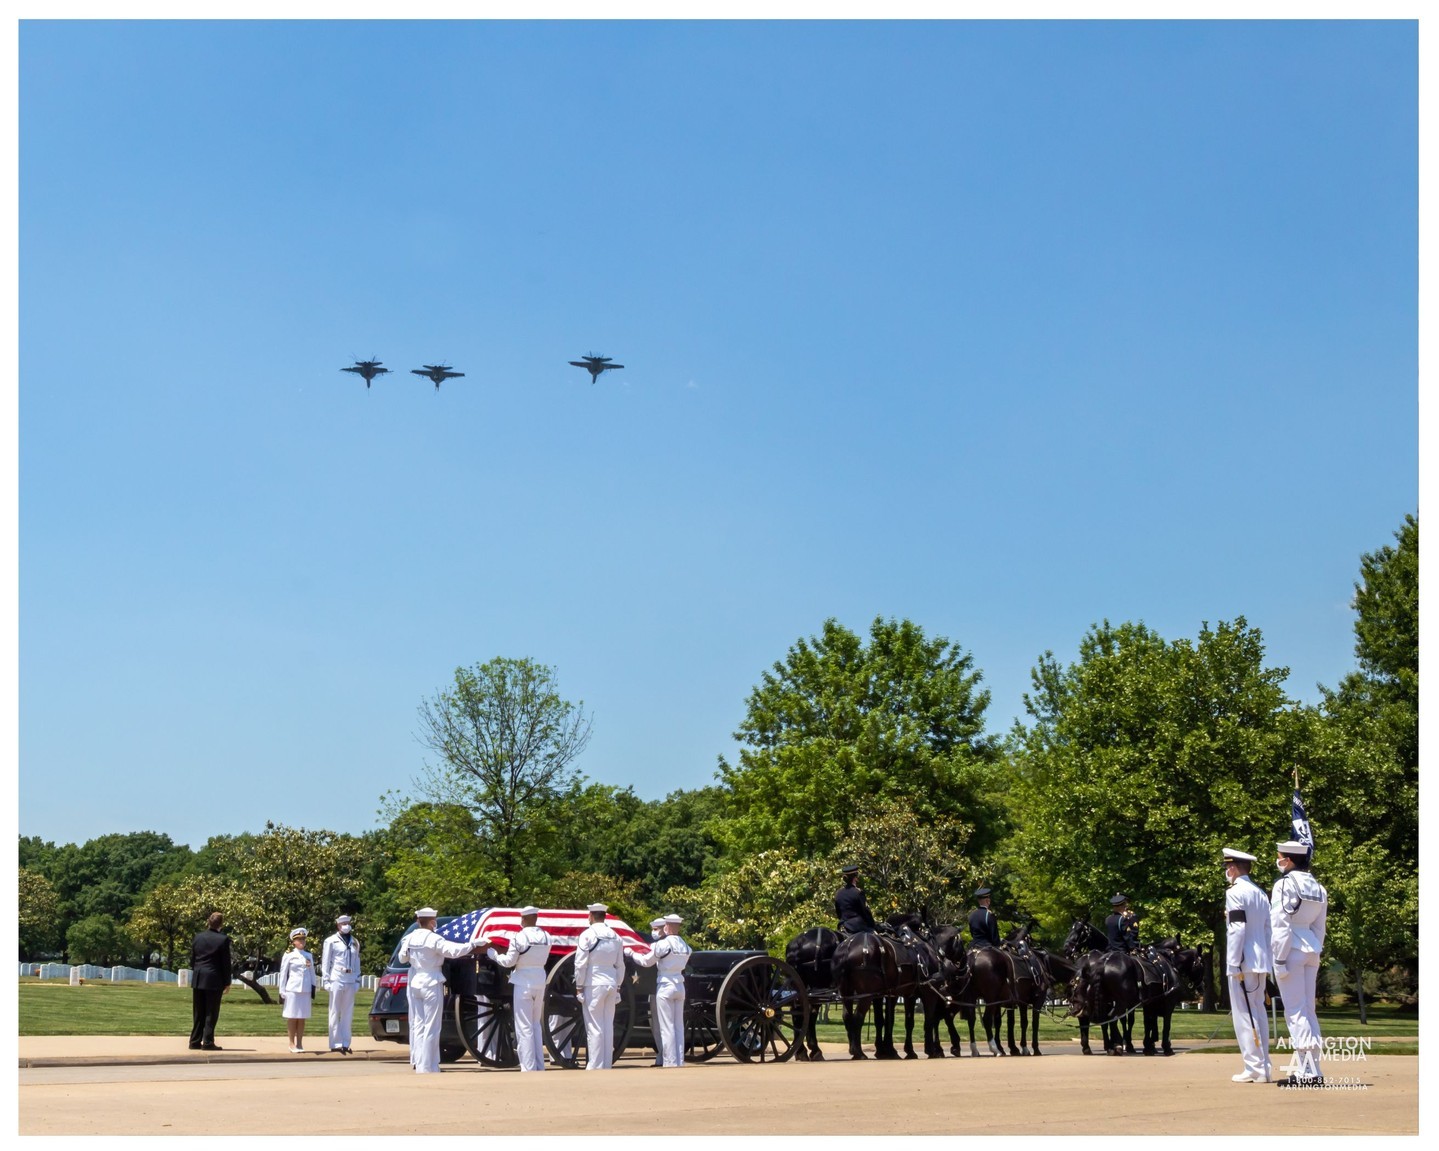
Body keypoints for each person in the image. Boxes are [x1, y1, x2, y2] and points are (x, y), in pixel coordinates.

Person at [1271, 840, 1328, 1087]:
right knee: (1308, 1009)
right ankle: (1314, 1068)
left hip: (1291, 949)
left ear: (1289, 860)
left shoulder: (1284, 885)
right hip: (1311, 948)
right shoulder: (1318, 886)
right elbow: (1320, 927)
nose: (1278, 860)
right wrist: (1317, 948)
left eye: (1280, 856)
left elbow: (1280, 925)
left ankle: (1307, 1071)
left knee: (1295, 1010)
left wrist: (1279, 958)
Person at [398, 907, 476, 1073]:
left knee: (418, 1024)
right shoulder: (434, 939)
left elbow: (402, 958)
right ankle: (427, 1065)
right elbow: (453, 951)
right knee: (432, 1026)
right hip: (431, 980)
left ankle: (421, 1063)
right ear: (432, 921)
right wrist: (473, 944)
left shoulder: (409, 938)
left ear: (418, 921)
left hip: (415, 981)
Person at [479, 905, 553, 1072]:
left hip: (523, 982)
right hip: (539, 980)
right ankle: (539, 1065)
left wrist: (494, 955)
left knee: (524, 1026)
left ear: (524, 919)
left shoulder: (519, 937)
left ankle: (528, 1066)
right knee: (535, 1024)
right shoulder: (546, 937)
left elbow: (509, 962)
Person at [1223, 847, 1273, 1084]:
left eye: (1227, 867)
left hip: (1243, 960)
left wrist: (1233, 962)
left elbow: (1237, 929)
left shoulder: (1235, 892)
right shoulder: (1261, 893)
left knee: (1244, 1015)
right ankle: (1263, 1066)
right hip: (1260, 960)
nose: (1226, 871)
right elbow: (1267, 930)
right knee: (1258, 1013)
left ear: (1232, 868)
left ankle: (1254, 1067)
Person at [628, 913, 692, 1068]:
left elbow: (646, 961)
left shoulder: (663, 945)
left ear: (667, 926)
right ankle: (679, 1060)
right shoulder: (685, 946)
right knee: (678, 1026)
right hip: (679, 984)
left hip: (665, 985)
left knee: (667, 1026)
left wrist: (631, 953)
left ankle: (670, 1061)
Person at [573, 902, 625, 1069]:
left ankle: (595, 1066)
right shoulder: (616, 936)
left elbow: (580, 964)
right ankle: (606, 1064)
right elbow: (620, 965)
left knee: (594, 1026)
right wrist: (618, 985)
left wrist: (579, 985)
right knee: (607, 1025)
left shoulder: (587, 935)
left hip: (593, 983)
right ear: (604, 916)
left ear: (590, 916)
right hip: (611, 982)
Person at [188, 910, 232, 1051]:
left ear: (208, 922)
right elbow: (225, 963)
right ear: (221, 924)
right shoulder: (223, 939)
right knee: (211, 1012)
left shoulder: (198, 937)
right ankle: (208, 1042)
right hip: (214, 978)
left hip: (199, 977)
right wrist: (227, 981)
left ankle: (194, 1041)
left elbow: (192, 960)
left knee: (198, 1011)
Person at [320, 915, 361, 1055]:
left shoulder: (355, 941)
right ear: (338, 925)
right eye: (343, 923)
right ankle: (335, 1043)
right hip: (337, 977)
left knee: (347, 1012)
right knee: (335, 1011)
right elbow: (326, 961)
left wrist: (357, 979)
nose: (346, 925)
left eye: (348, 923)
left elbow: (357, 961)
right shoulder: (331, 941)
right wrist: (326, 980)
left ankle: (345, 1043)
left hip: (350, 977)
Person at [278, 928, 316, 1053]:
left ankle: (299, 1043)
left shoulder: (308, 955)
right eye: (299, 939)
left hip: (305, 990)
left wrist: (313, 988)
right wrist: (282, 990)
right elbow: (283, 973)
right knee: (292, 1017)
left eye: (303, 939)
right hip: (293, 989)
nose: (302, 941)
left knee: (302, 1017)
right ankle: (291, 1043)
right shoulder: (289, 955)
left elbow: (312, 974)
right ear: (293, 941)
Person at [835, 864, 877, 935]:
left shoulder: (838, 893)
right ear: (855, 878)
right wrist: (873, 926)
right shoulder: (858, 892)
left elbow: (839, 914)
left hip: (843, 927)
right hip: (858, 926)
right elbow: (866, 912)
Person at [648, 917, 667, 1066]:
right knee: (656, 1024)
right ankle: (662, 1055)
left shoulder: (662, 945)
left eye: (656, 929)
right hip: (655, 988)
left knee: (663, 1024)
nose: (653, 932)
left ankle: (666, 1056)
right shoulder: (654, 944)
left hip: (662, 987)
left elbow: (647, 961)